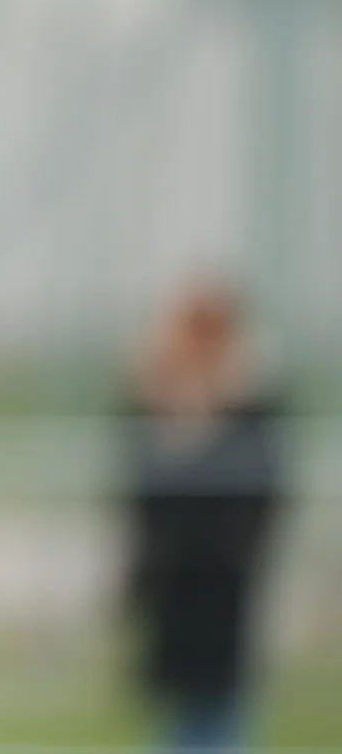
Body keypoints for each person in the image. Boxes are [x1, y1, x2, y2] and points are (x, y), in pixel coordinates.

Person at [125, 281, 285, 754]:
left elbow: (263, 495)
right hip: (175, 581)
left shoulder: (248, 405)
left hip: (223, 578)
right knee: (180, 715)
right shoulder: (160, 404)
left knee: (219, 713)